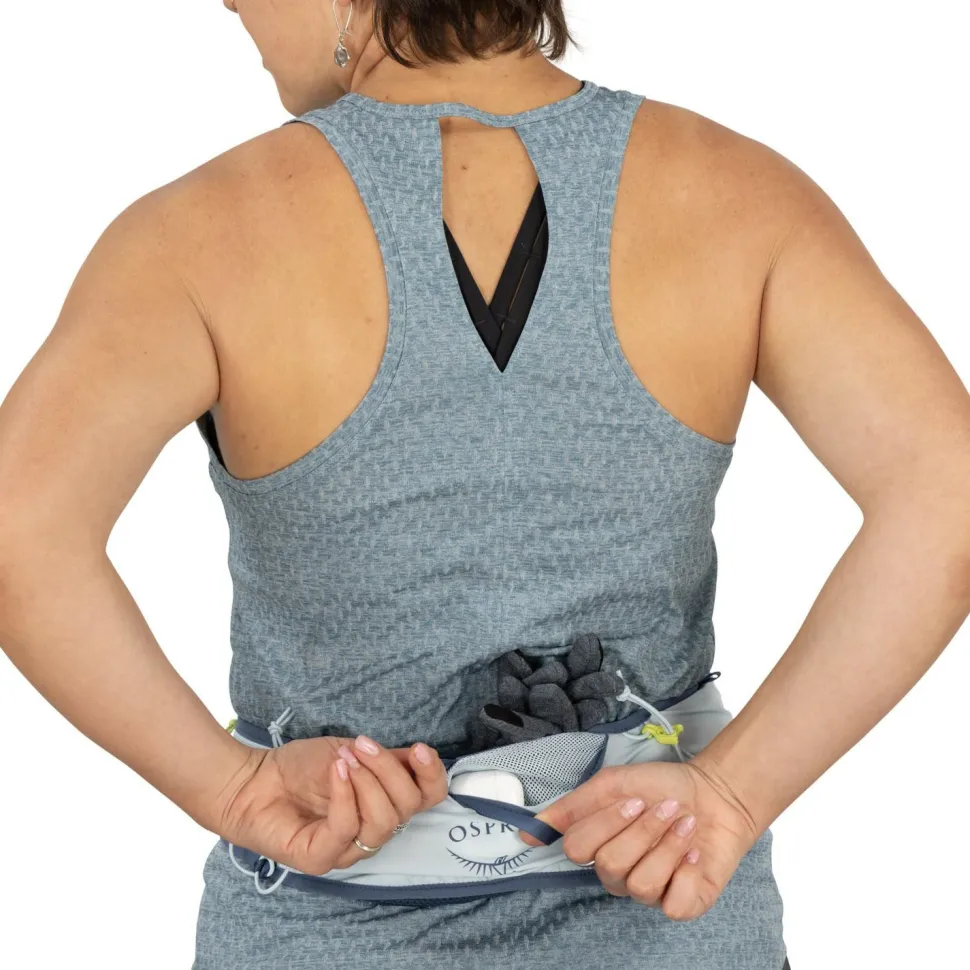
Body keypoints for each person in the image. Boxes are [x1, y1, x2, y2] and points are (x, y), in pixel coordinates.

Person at [1, 1, 968, 968]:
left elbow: (19, 533)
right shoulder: (741, 196)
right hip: (671, 923)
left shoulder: (195, 236)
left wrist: (236, 788)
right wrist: (731, 793)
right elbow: (947, 493)